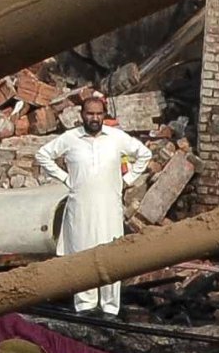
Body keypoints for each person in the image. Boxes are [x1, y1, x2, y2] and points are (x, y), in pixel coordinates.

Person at [36, 92, 153, 317]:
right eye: (90, 113)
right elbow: (43, 155)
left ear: (104, 115)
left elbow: (144, 154)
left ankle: (110, 307)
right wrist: (64, 178)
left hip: (109, 208)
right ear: (82, 115)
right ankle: (85, 305)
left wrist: (127, 180)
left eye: (99, 114)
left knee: (112, 255)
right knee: (82, 255)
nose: (95, 118)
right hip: (80, 208)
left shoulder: (116, 137)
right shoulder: (70, 138)